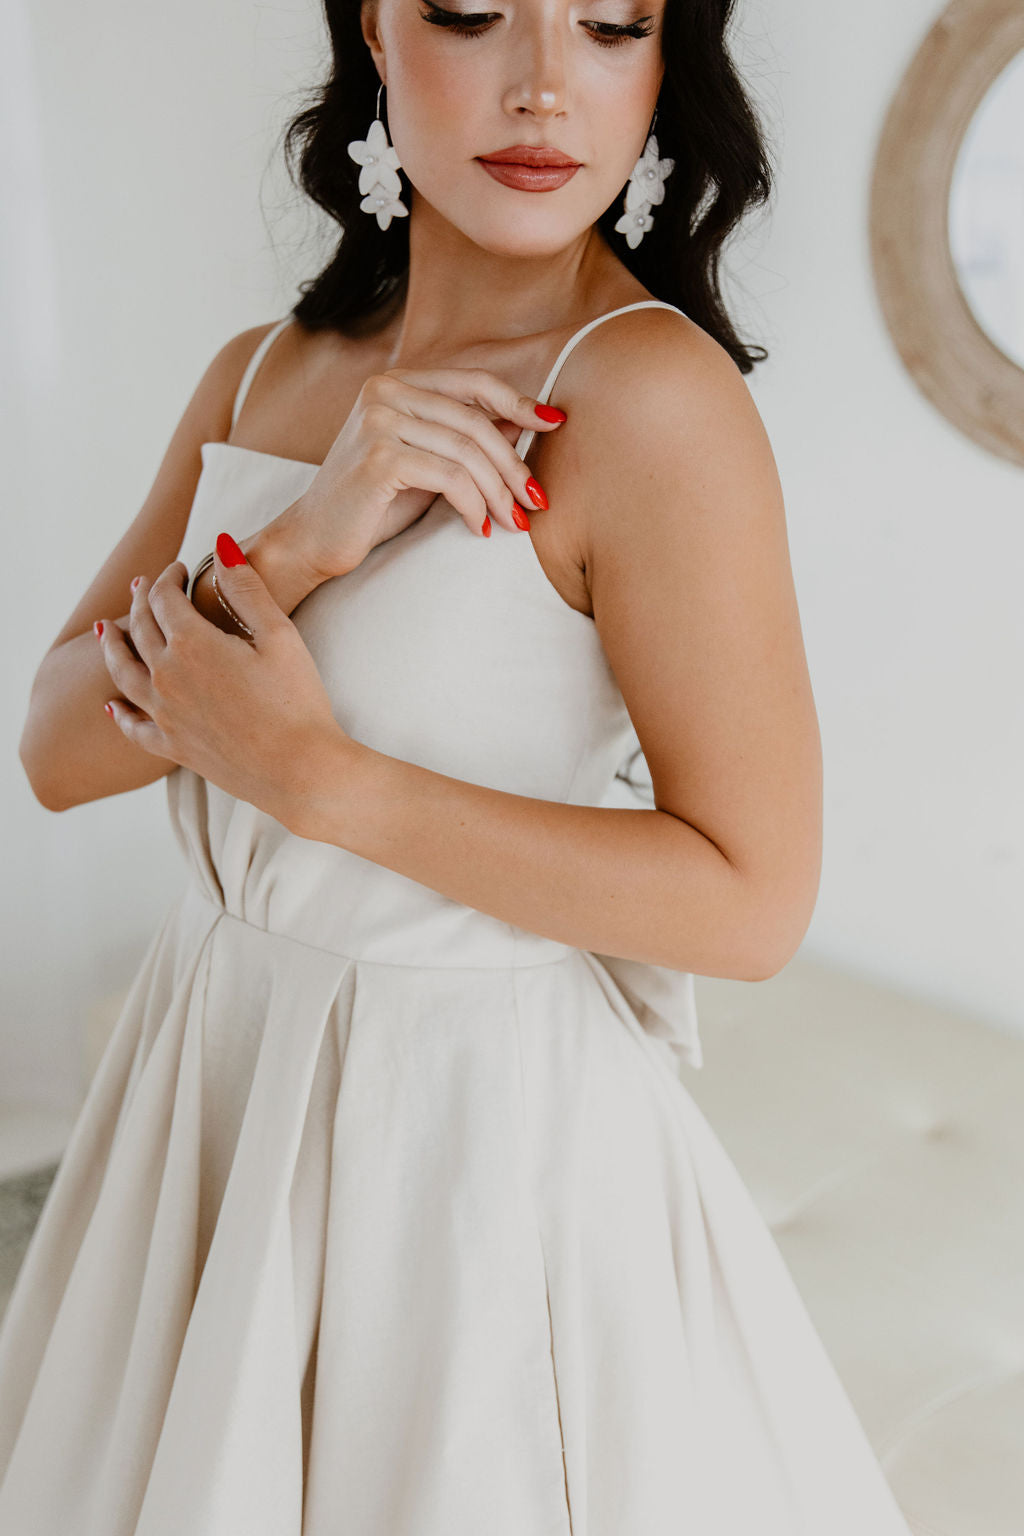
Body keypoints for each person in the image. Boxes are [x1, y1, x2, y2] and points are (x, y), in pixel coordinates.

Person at [1, 0, 916, 1531]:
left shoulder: (648, 401)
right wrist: (298, 540)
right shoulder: (263, 374)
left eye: (612, 26)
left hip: (470, 1152)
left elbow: (753, 900)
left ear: (660, 67)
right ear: (376, 31)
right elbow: (53, 746)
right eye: (475, 12)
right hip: (207, 1081)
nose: (544, 83)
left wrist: (322, 784)